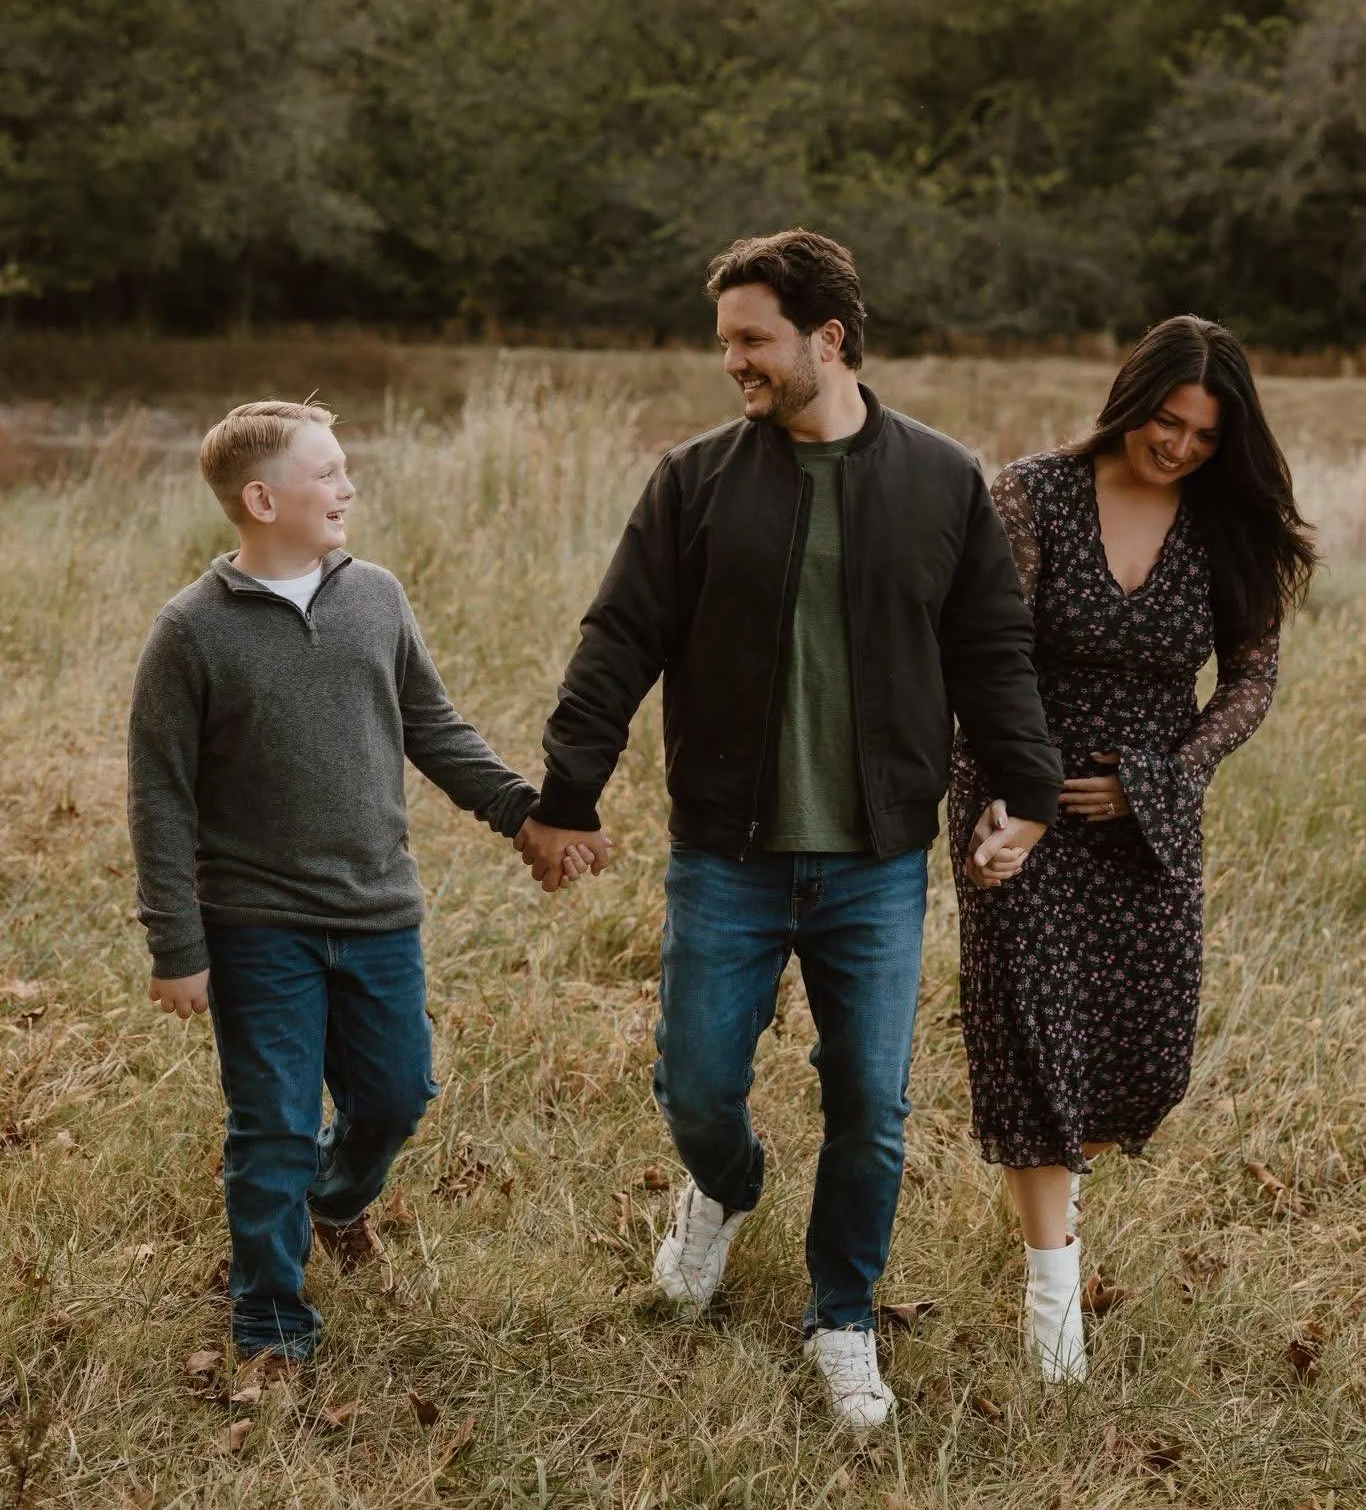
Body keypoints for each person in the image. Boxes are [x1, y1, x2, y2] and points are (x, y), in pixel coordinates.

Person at [517, 229, 1062, 1434]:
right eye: (727, 342)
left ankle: (841, 1317)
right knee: (701, 1083)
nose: (734, 363)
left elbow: (990, 649)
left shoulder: (938, 479)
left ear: (828, 336)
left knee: (869, 1101)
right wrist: (567, 794)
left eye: (752, 338)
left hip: (875, 858)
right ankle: (723, 1188)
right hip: (728, 851)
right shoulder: (697, 478)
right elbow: (619, 640)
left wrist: (1022, 788)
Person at [126, 398, 610, 1365]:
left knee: (396, 1097)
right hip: (257, 923)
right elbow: (159, 799)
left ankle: (335, 1200)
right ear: (262, 498)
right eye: (329, 472)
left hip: (380, 913)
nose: (348, 485)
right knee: (271, 1121)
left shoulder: (376, 597)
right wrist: (176, 945)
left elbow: (433, 728)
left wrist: (528, 813)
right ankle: (270, 1318)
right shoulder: (190, 633)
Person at [949, 316, 1317, 1384]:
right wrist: (1023, 797)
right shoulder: (1032, 494)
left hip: (1147, 818)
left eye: (1204, 433)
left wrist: (1165, 775)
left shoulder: (1223, 522)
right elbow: (989, 650)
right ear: (1130, 398)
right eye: (1166, 421)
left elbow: (1249, 676)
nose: (1179, 447)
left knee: (1143, 1052)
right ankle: (1050, 1283)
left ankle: (1058, 1183)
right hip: (1020, 796)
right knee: (1029, 1033)